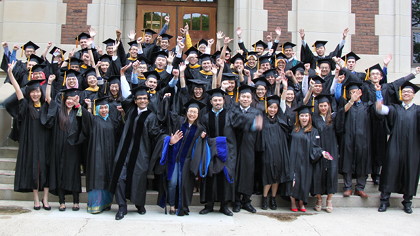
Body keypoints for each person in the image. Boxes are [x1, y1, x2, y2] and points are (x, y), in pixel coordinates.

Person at [110, 86, 162, 220]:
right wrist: (134, 87)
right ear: (135, 101)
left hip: (141, 154)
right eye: (139, 98)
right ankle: (122, 206)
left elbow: (155, 134)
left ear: (149, 101)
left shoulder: (151, 116)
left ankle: (139, 204)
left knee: (139, 179)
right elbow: (125, 101)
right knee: (120, 178)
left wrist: (168, 139)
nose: (142, 100)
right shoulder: (130, 110)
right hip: (123, 152)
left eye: (145, 98)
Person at [7, 61, 51, 211]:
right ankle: (36, 200)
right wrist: (10, 74)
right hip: (32, 143)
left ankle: (45, 199)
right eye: (33, 92)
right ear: (29, 93)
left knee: (46, 169)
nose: (35, 94)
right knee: (34, 170)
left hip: (45, 142)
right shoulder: (26, 106)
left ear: (41, 92)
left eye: (38, 91)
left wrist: (49, 83)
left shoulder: (46, 106)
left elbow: (51, 98)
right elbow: (18, 90)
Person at [376, 75, 420, 214]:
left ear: (413, 95)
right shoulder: (395, 108)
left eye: (409, 92)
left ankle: (407, 202)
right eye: (404, 92)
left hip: (413, 147)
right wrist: (379, 102)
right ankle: (384, 201)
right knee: (390, 170)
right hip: (395, 144)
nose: (406, 94)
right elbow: (383, 110)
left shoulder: (418, 110)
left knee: (410, 172)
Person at [158, 98, 206, 216]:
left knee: (183, 184)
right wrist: (171, 141)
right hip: (174, 159)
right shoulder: (179, 121)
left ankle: (182, 206)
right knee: (173, 182)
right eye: (190, 111)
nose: (192, 114)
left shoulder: (200, 128)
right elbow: (167, 126)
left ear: (198, 114)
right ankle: (172, 205)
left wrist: (202, 138)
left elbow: (199, 146)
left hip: (187, 161)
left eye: (195, 112)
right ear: (186, 112)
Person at [44, 78, 83, 211]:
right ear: (64, 99)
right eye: (68, 99)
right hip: (59, 147)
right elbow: (48, 98)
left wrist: (79, 105)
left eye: (73, 99)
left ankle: (76, 201)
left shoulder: (77, 112)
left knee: (73, 173)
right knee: (60, 172)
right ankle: (62, 201)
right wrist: (49, 83)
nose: (70, 101)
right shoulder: (57, 110)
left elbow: (86, 120)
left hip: (73, 148)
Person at [198, 88, 236, 216]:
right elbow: (201, 130)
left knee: (224, 177)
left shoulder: (230, 115)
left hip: (226, 151)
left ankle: (224, 206)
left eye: (220, 100)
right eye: (215, 100)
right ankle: (209, 205)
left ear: (223, 101)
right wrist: (202, 134)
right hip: (210, 151)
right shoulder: (205, 116)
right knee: (210, 177)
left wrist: (253, 124)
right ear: (211, 101)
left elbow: (240, 125)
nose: (218, 102)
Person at [81, 97, 123, 214]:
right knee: (98, 178)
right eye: (101, 108)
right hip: (97, 155)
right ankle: (96, 205)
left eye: (106, 108)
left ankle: (106, 203)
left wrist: (123, 113)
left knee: (107, 177)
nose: (104, 110)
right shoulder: (94, 120)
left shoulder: (111, 120)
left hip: (109, 155)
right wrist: (88, 106)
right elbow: (86, 118)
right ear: (97, 109)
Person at [289, 105, 333, 212]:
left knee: (304, 182)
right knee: (293, 182)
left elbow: (315, 147)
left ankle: (301, 202)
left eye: (306, 116)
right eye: (302, 116)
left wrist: (322, 152)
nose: (304, 118)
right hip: (293, 160)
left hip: (305, 161)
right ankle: (293, 202)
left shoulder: (314, 131)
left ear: (309, 117)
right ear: (298, 117)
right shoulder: (294, 129)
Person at [229, 85, 263, 213]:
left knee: (248, 174)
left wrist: (258, 148)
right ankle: (236, 201)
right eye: (243, 96)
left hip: (250, 147)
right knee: (237, 173)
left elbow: (260, 131)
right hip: (236, 146)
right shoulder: (233, 110)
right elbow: (234, 123)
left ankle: (246, 201)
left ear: (251, 99)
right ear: (239, 98)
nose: (245, 99)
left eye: (247, 97)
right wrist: (252, 124)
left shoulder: (256, 112)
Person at [311, 95, 343, 213]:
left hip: (332, 148)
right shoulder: (314, 118)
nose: (323, 108)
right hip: (319, 148)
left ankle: (329, 200)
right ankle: (319, 200)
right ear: (318, 106)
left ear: (329, 106)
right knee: (318, 174)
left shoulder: (334, 117)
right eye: (321, 106)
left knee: (332, 173)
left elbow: (340, 130)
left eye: (325, 105)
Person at [260, 92, 291, 210]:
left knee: (277, 176)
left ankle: (273, 198)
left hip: (279, 152)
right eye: (270, 107)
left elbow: (283, 101)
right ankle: (264, 198)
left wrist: (284, 87)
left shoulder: (280, 119)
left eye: (275, 107)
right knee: (268, 175)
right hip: (267, 152)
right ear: (267, 108)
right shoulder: (262, 119)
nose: (272, 109)